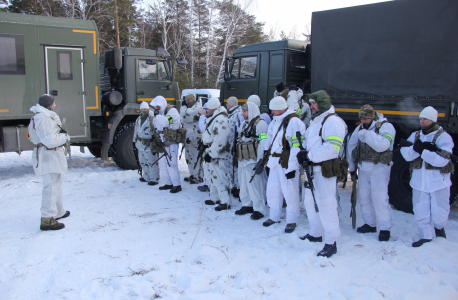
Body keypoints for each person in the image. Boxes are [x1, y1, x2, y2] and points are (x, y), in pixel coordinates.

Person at [297, 90, 347, 258]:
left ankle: (331, 242)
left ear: (323, 103)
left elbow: (333, 148)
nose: (311, 107)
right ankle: (315, 233)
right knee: (310, 203)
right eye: (310, 104)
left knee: (326, 205)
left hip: (324, 171)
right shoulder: (316, 121)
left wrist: (309, 155)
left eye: (313, 104)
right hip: (312, 169)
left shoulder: (332, 121)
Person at [400, 106, 454, 247]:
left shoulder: (443, 137)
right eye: (421, 119)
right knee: (420, 210)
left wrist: (424, 152)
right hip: (419, 181)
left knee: (440, 210)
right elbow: (405, 154)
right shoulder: (416, 135)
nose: (422, 121)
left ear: (432, 120)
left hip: (438, 181)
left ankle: (439, 229)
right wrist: (417, 149)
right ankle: (425, 236)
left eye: (425, 119)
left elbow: (442, 160)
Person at [347, 104, 396, 241]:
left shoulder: (385, 127)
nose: (363, 122)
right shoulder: (360, 128)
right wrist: (351, 168)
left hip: (379, 168)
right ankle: (370, 223)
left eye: (366, 119)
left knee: (379, 199)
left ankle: (385, 228)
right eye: (361, 119)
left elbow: (383, 145)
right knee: (364, 197)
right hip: (364, 168)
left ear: (372, 117)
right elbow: (351, 146)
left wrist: (367, 135)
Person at [259, 96, 306, 233]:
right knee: (273, 191)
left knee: (290, 193)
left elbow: (297, 147)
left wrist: (292, 167)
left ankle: (292, 220)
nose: (272, 112)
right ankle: (274, 216)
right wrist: (265, 155)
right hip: (274, 163)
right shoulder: (275, 122)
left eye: (273, 110)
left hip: (287, 164)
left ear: (280, 109)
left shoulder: (294, 122)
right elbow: (269, 140)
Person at [28, 94, 70, 231]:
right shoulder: (43, 119)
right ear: (48, 105)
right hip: (48, 156)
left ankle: (58, 212)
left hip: (49, 156)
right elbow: (49, 140)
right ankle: (47, 219)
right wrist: (65, 137)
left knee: (56, 184)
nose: (55, 105)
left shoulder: (41, 117)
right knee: (51, 187)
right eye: (54, 103)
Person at [235, 102, 268, 220]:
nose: (243, 114)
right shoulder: (244, 124)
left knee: (255, 185)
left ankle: (259, 209)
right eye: (243, 111)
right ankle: (247, 204)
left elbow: (264, 143)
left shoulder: (261, 124)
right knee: (243, 183)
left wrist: (260, 161)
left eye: (245, 111)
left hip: (253, 160)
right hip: (242, 159)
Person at [202, 97, 232, 211]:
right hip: (211, 151)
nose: (206, 110)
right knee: (211, 176)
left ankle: (225, 201)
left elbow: (220, 140)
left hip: (218, 154)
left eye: (208, 108)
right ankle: (215, 197)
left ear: (213, 108)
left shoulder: (221, 120)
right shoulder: (214, 118)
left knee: (220, 177)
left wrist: (211, 153)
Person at [150, 96, 182, 193]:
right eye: (156, 106)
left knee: (171, 164)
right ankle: (168, 183)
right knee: (163, 164)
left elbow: (165, 122)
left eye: (158, 106)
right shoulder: (160, 113)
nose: (157, 108)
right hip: (162, 142)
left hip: (171, 141)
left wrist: (157, 116)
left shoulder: (172, 112)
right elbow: (156, 126)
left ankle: (176, 184)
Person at [133, 101, 160, 185]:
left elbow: (157, 130)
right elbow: (135, 131)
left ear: (148, 109)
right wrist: (134, 141)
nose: (144, 110)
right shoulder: (138, 119)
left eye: (145, 109)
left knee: (152, 162)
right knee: (143, 162)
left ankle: (154, 178)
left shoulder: (152, 118)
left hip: (149, 145)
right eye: (142, 109)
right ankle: (146, 176)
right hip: (140, 144)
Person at [180, 94, 204, 184]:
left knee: (196, 157)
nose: (187, 102)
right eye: (186, 101)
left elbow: (185, 117)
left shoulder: (198, 108)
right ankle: (193, 174)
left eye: (188, 101)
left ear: (193, 100)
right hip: (188, 137)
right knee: (189, 157)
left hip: (195, 138)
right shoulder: (189, 109)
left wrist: (183, 107)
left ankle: (199, 176)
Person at [226, 96, 243, 198]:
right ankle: (234, 186)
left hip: (234, 145)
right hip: (231, 144)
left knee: (235, 167)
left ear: (231, 104)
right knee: (231, 166)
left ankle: (238, 187)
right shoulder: (233, 113)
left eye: (227, 103)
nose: (226, 105)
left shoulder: (237, 114)